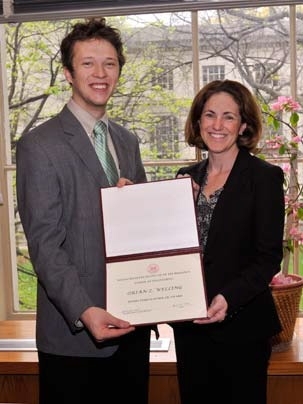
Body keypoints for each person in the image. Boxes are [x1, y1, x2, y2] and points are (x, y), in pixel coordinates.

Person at [16, 18, 153, 404]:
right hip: (75, 336)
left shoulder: (127, 141)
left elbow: (142, 235)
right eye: (88, 63)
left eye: (110, 63)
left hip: (132, 327)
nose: (100, 73)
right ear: (68, 73)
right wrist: (83, 311)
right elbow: (45, 245)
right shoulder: (37, 146)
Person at [171, 79, 285, 404]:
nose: (217, 125)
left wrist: (227, 299)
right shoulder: (185, 178)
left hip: (242, 327)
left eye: (228, 116)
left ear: (244, 124)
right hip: (190, 329)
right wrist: (166, 204)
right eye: (209, 115)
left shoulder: (264, 178)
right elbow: (172, 251)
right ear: (198, 122)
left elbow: (267, 258)